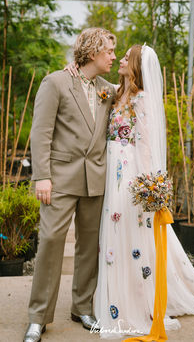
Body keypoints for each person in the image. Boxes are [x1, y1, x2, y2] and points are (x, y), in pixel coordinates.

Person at [66, 44, 194, 340]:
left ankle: (134, 297)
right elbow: (89, 80)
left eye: (124, 57)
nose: (118, 59)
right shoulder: (117, 92)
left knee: (129, 232)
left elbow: (145, 144)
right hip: (110, 169)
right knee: (112, 232)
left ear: (134, 65)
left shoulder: (142, 99)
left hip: (129, 173)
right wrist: (73, 68)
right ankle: (112, 291)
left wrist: (150, 185)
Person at [23, 27, 117, 342]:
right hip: (59, 180)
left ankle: (82, 308)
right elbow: (41, 133)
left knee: (89, 247)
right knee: (50, 241)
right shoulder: (56, 82)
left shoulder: (109, 89)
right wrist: (42, 177)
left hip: (96, 181)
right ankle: (38, 317)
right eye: (109, 52)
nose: (113, 57)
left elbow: (137, 90)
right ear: (92, 53)